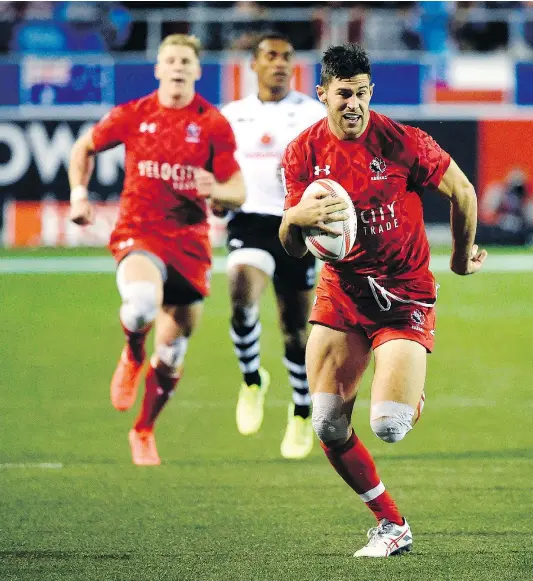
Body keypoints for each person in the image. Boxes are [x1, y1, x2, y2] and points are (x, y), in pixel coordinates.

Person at [279, 44, 487, 557]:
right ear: (322, 93)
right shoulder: (301, 153)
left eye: (363, 93)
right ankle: (391, 524)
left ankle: (408, 391)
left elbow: (463, 191)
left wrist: (460, 259)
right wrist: (291, 222)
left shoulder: (401, 142)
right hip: (342, 293)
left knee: (388, 426)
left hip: (403, 294)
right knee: (326, 421)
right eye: (344, 94)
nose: (354, 104)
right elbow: (291, 245)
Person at [68, 34, 245, 466]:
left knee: (173, 352)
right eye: (171, 59)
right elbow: (84, 146)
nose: (179, 66)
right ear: (158, 68)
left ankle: (144, 430)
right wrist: (78, 194)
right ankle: (131, 351)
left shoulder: (212, 123)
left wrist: (218, 190)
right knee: (142, 303)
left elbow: (237, 190)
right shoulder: (134, 114)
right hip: (140, 233)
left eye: (187, 60)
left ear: (198, 70)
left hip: (189, 244)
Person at [220, 32, 326, 459]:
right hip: (249, 218)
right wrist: (215, 196)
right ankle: (251, 380)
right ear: (254, 64)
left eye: (286, 56)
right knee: (241, 292)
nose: (279, 63)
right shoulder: (231, 115)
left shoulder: (313, 114)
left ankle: (301, 409)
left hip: (296, 224)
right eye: (270, 56)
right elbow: (219, 169)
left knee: (295, 331)